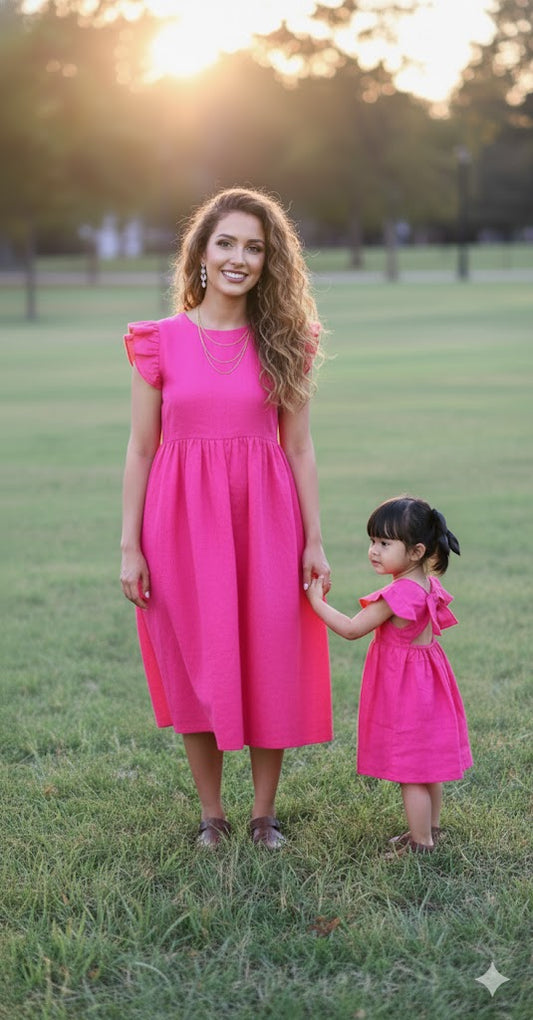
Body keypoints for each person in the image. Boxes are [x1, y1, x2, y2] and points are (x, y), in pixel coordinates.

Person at [120, 187, 332, 849]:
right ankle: (212, 815)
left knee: (270, 655)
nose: (239, 258)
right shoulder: (158, 342)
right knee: (196, 661)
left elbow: (298, 447)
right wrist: (129, 546)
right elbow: (141, 447)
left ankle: (263, 814)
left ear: (269, 262)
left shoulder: (286, 342)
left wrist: (314, 540)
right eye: (226, 243)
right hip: (179, 525)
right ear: (202, 253)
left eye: (254, 248)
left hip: (266, 520)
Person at [306, 495, 472, 856]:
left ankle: (420, 842)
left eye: (384, 543)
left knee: (410, 771)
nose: (374, 551)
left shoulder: (398, 594)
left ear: (415, 551)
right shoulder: (427, 585)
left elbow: (352, 629)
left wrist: (317, 602)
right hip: (428, 684)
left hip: (405, 689)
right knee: (427, 765)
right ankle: (431, 829)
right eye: (372, 541)